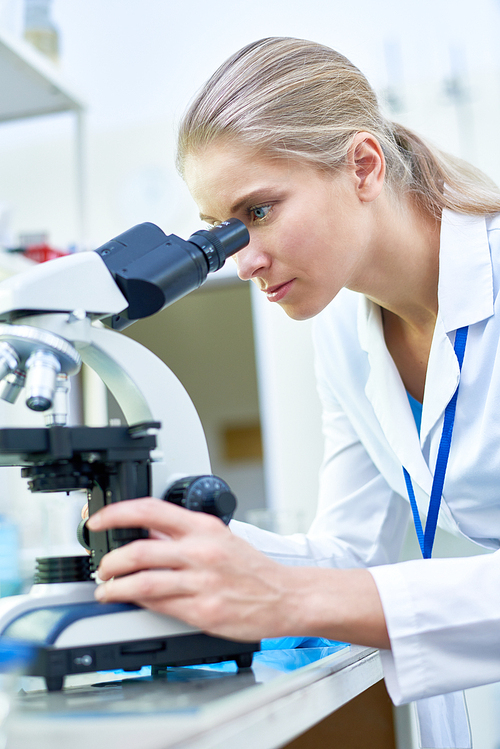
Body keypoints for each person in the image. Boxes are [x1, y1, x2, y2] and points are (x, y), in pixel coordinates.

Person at [86, 37, 500, 747]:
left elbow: (327, 588)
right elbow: (349, 553)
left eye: (260, 211)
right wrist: (187, 546)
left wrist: (289, 595)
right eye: (224, 229)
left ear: (363, 166)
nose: (243, 261)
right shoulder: (343, 331)